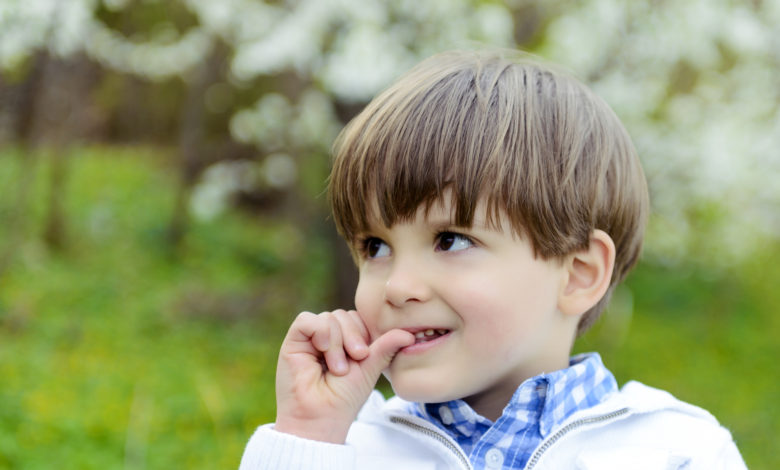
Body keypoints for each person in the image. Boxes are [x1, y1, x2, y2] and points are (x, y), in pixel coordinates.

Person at [239, 49, 746, 469]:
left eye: (451, 240)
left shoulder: (678, 452)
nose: (397, 286)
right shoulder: (346, 446)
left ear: (578, 274)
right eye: (376, 247)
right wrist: (307, 434)